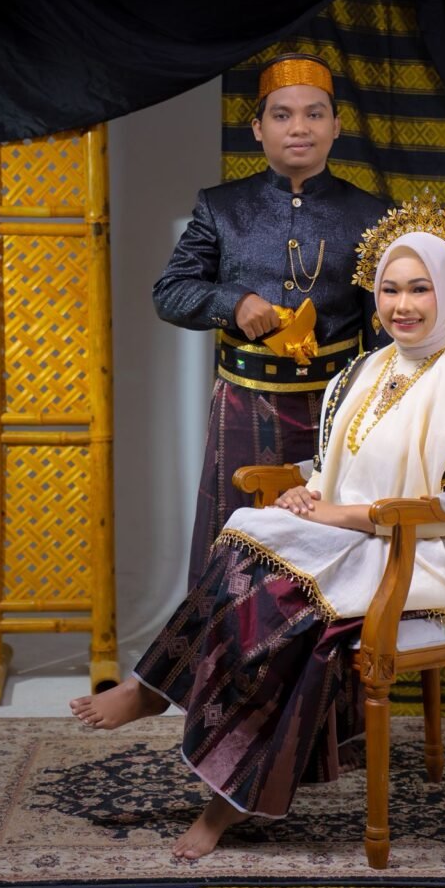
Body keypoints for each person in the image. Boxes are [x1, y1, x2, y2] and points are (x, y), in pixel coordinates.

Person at [71, 195, 445, 860]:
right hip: (358, 535)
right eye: (389, 289)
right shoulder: (370, 369)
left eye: (419, 289)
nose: (402, 306)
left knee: (283, 610)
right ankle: (154, 689)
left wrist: (339, 514)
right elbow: (341, 462)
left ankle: (226, 800)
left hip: (431, 552)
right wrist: (309, 490)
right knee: (242, 541)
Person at [152, 52, 389, 589]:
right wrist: (233, 302)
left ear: (336, 126)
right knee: (234, 550)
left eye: (314, 114)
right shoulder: (221, 208)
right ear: (258, 128)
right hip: (243, 406)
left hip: (337, 414)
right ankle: (219, 647)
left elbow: (382, 334)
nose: (299, 127)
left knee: (322, 558)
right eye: (282, 115)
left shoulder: (371, 216)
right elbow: (169, 293)